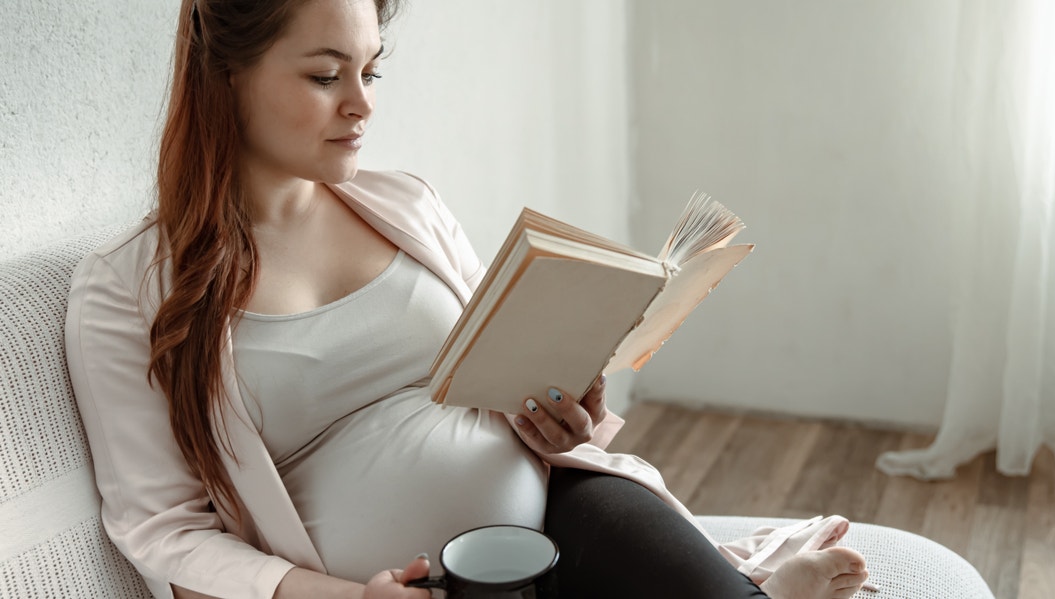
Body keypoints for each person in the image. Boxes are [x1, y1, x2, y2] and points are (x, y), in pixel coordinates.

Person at [64, 1, 871, 598]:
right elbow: (161, 532)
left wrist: (568, 412)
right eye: (325, 74)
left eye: (371, 69)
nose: (363, 102)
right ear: (226, 72)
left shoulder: (407, 203)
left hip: (562, 508)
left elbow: (499, 371)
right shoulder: (126, 292)